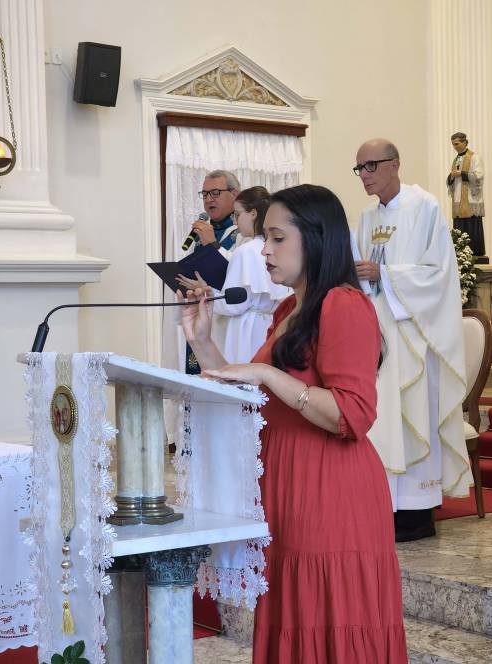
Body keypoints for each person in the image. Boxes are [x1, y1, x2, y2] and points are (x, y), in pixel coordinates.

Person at [178, 184, 407, 663]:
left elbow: (352, 413)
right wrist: (202, 343)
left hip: (330, 489)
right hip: (287, 483)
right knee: (295, 616)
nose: (264, 250)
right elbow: (256, 399)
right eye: (265, 238)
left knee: (328, 619)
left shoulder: (343, 304)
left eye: (277, 238)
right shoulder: (290, 308)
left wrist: (266, 373)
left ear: (317, 238)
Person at [354, 138, 472, 542]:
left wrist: (385, 275)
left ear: (395, 164)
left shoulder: (425, 207)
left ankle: (416, 513)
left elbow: (438, 273)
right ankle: (383, 506)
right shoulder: (366, 218)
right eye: (360, 168)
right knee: (383, 423)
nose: (364, 175)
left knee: (411, 420)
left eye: (371, 166)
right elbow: (361, 276)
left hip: (414, 337)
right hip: (377, 337)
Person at [177, 186, 291, 363]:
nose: (235, 222)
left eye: (237, 215)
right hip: (268, 325)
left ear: (253, 214)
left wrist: (205, 292)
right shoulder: (273, 247)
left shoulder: (246, 250)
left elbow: (234, 305)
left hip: (246, 331)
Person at [185, 169, 241, 374]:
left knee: (222, 377)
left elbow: (238, 274)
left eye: (215, 193)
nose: (209, 199)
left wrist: (213, 245)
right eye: (205, 194)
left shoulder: (243, 233)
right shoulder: (202, 232)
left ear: (234, 194)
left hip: (226, 320)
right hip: (201, 314)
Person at [447, 131, 486, 260]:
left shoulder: (474, 157)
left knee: (472, 226)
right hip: (458, 200)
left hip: (470, 199)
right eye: (453, 144)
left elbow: (479, 176)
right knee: (459, 227)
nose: (455, 147)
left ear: (465, 142)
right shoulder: (456, 160)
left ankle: (475, 252)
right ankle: (460, 253)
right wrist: (451, 177)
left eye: (457, 144)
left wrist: (462, 174)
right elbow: (451, 180)